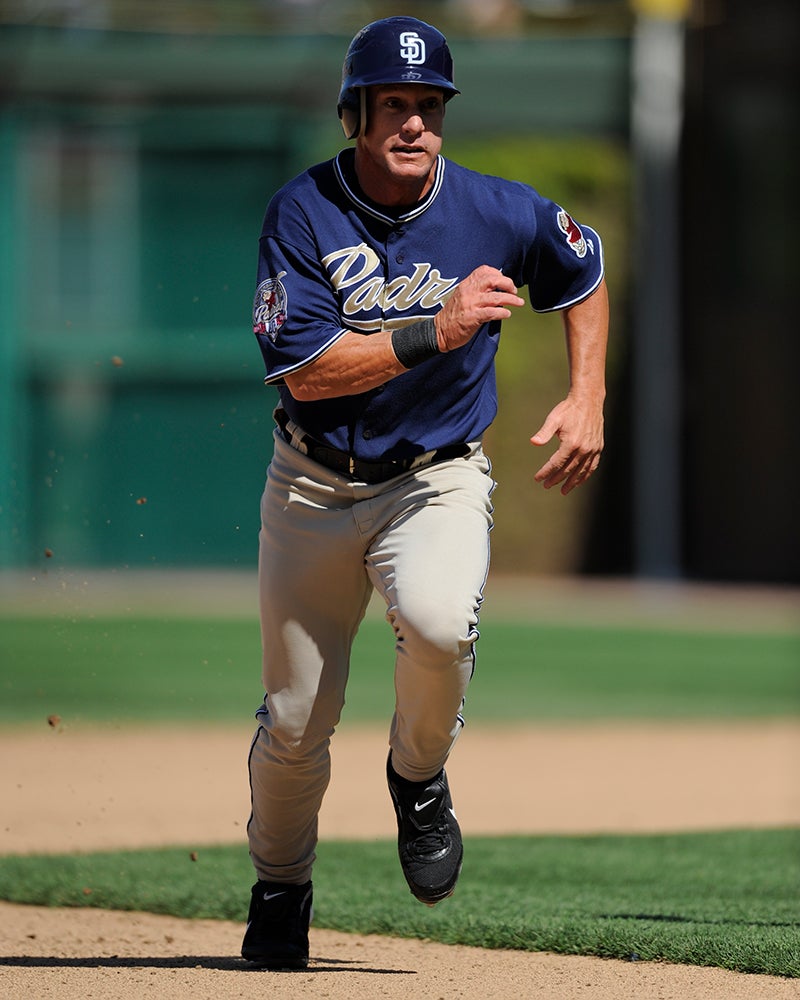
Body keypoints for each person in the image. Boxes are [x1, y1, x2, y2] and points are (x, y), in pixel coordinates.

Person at [242, 15, 608, 969]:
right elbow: (307, 372)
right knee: (293, 723)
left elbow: (583, 265)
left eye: (429, 105)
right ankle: (280, 887)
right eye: (393, 104)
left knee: (442, 626)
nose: (413, 122)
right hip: (312, 485)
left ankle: (419, 777)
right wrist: (433, 330)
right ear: (355, 114)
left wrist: (587, 395)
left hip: (434, 479)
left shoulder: (493, 209)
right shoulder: (304, 212)